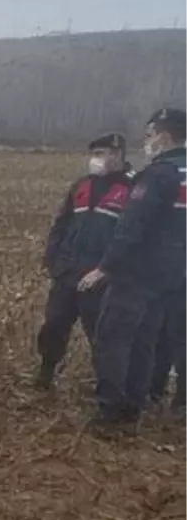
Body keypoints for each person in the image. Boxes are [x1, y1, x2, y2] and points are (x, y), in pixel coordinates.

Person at [79, 108, 187, 431]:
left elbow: (132, 227)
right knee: (145, 342)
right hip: (171, 276)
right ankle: (134, 409)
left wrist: (104, 268)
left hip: (137, 272)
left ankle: (111, 413)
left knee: (113, 339)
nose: (148, 142)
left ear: (164, 136)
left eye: (150, 135)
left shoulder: (158, 175)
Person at [34, 133, 134, 389]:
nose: (96, 160)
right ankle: (46, 372)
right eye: (94, 154)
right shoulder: (81, 185)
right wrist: (53, 261)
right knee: (54, 325)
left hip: (101, 277)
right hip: (68, 271)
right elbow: (62, 223)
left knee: (101, 335)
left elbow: (132, 235)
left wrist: (110, 270)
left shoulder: (131, 189)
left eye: (101, 154)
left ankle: (106, 386)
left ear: (117, 155)